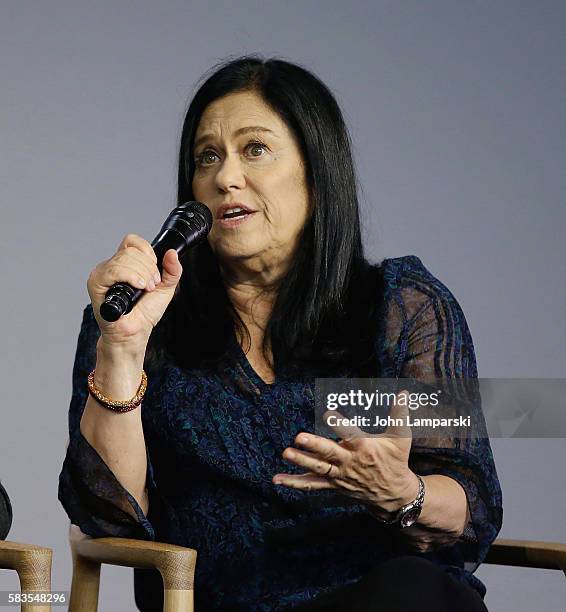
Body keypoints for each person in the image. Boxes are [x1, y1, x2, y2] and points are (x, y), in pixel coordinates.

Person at [58, 55, 502, 611]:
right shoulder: (138, 320)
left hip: (386, 597)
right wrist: (121, 349)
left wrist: (402, 494)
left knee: (411, 591)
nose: (224, 177)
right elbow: (108, 513)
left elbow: (472, 504)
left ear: (317, 171)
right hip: (227, 604)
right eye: (207, 157)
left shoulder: (399, 309)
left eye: (255, 149)